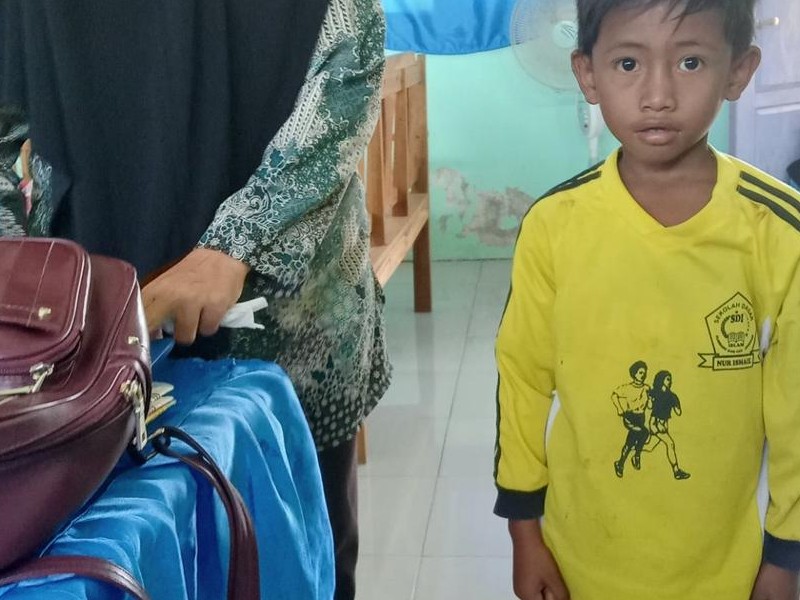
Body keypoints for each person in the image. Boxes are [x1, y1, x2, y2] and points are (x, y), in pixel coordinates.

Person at [0, 1, 390, 598]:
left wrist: (234, 245)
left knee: (301, 545)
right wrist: (22, 280)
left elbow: (345, 58)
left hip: (286, 315)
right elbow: (7, 123)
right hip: (91, 328)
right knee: (134, 549)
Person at [493, 1, 800, 598]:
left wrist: (785, 557)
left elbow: (795, 411)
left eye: (690, 62)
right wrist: (524, 531)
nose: (657, 95)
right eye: (628, 63)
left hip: (727, 568)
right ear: (587, 74)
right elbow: (522, 379)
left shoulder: (778, 233)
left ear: (738, 71)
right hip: (580, 556)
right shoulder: (555, 226)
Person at [642, 370, 690, 480]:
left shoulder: (672, 396)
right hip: (655, 424)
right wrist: (650, 399)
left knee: (649, 447)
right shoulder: (654, 392)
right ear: (661, 380)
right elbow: (649, 407)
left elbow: (678, 412)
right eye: (667, 379)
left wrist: (676, 404)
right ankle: (676, 471)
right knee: (670, 443)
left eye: (670, 380)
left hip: (664, 425)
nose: (670, 381)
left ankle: (632, 450)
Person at [610, 360, 650, 477]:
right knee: (644, 433)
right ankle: (636, 456)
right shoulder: (627, 388)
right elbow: (614, 395)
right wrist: (619, 408)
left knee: (631, 441)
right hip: (630, 417)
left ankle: (620, 463)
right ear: (634, 373)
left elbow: (650, 404)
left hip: (641, 417)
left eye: (644, 373)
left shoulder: (647, 388)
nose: (643, 375)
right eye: (640, 372)